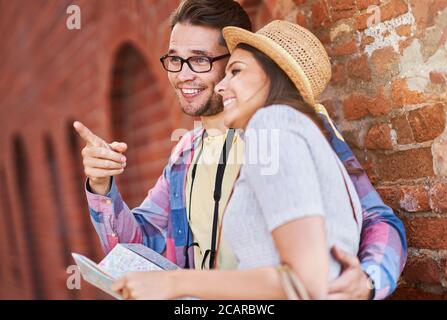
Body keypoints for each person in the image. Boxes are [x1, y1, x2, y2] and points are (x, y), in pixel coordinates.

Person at [73, 0, 407, 299]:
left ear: (235, 59)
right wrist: (101, 186)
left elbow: (375, 218)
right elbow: (141, 246)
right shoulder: (186, 152)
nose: (183, 75)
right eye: (175, 60)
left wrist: (369, 280)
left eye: (200, 60)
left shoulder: (290, 126)